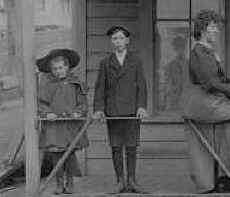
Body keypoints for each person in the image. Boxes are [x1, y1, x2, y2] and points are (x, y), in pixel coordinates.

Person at [181, 9, 230, 194]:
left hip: (209, 99)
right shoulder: (199, 52)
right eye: (213, 27)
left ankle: (227, 174)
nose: (216, 31)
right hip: (199, 100)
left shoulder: (209, 53)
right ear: (203, 29)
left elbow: (222, 81)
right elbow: (210, 83)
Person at [92, 25, 148, 194]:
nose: (118, 41)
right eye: (115, 38)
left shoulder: (136, 60)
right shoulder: (105, 63)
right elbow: (100, 87)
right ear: (111, 42)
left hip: (132, 110)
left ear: (127, 41)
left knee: (131, 146)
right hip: (113, 110)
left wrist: (142, 106)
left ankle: (132, 180)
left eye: (121, 38)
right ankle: (119, 181)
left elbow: (142, 86)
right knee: (116, 146)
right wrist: (99, 109)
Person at [37, 49, 89, 194]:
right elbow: (41, 103)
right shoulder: (47, 85)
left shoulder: (75, 83)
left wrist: (79, 112)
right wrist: (48, 113)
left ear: (67, 67)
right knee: (56, 154)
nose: (58, 71)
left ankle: (70, 182)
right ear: (51, 70)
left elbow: (83, 103)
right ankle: (59, 183)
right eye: (55, 69)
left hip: (70, 125)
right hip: (55, 127)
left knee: (69, 153)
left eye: (61, 68)